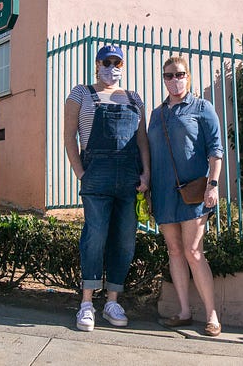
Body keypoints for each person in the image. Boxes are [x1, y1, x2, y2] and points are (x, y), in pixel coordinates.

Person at [63, 44, 151, 332]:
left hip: (129, 176)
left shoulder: (134, 98)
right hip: (96, 174)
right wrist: (80, 172)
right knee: (95, 235)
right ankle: (87, 303)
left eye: (117, 62)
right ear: (97, 63)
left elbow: (141, 141)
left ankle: (112, 300)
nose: (112, 66)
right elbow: (69, 134)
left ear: (123, 66)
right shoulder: (81, 92)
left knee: (125, 239)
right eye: (107, 61)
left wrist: (146, 174)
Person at [148, 56, 224, 337]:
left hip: (193, 193)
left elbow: (215, 151)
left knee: (193, 251)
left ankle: (212, 315)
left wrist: (213, 185)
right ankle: (183, 311)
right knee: (175, 250)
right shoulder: (158, 114)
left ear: (188, 76)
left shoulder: (202, 108)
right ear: (164, 79)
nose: (174, 80)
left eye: (179, 74)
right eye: (168, 75)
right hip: (163, 193)